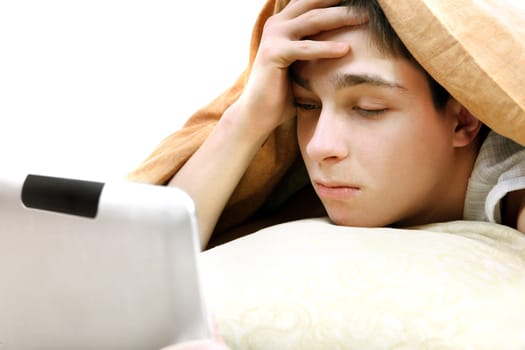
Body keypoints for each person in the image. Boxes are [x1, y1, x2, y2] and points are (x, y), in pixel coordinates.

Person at [161, 0, 525, 348]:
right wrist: (246, 119)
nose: (320, 146)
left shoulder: (513, 185)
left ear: (463, 119)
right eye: (306, 105)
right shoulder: (300, 193)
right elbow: (151, 262)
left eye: (368, 108)